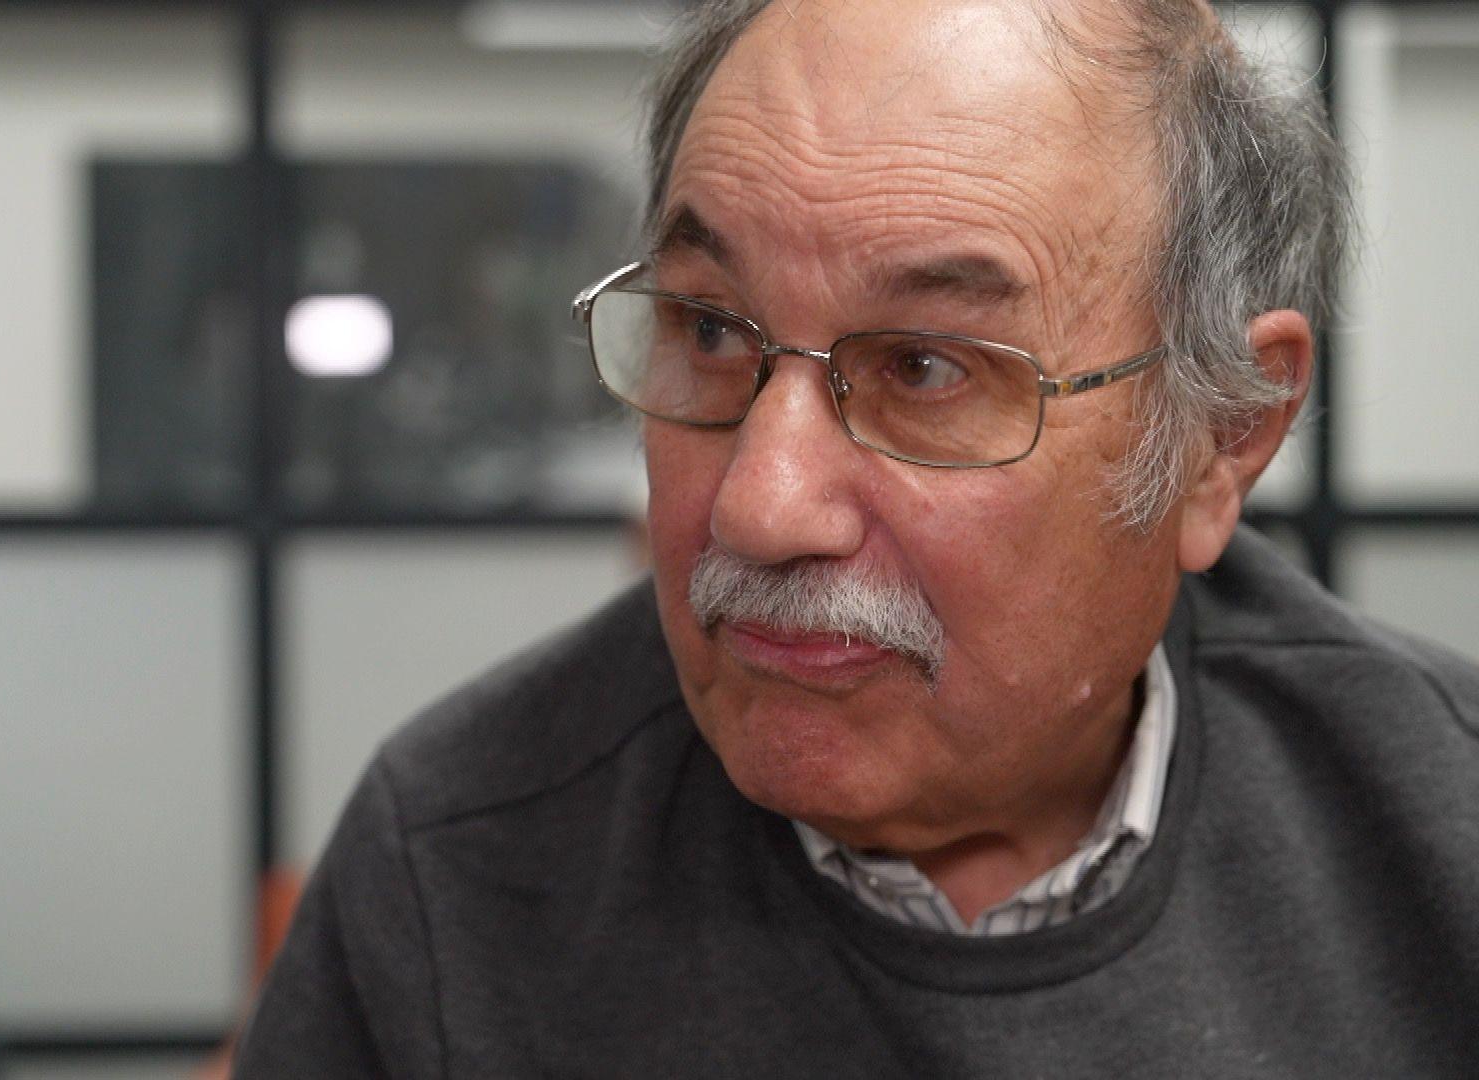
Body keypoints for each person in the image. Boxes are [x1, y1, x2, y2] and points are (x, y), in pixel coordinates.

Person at [235, 0, 1479, 1075]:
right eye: (712, 332)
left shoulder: (1441, 834)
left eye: (925, 367)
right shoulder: (460, 864)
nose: (760, 509)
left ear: (1223, 434)